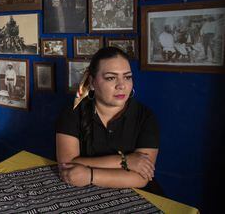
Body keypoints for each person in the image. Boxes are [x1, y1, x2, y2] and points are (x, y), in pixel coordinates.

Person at [56, 47, 162, 195]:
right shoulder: (72, 113)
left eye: (127, 77)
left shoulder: (145, 117)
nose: (122, 85)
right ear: (92, 82)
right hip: (84, 194)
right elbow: (67, 166)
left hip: (137, 195)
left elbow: (141, 178)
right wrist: (125, 161)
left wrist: (89, 175)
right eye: (111, 78)